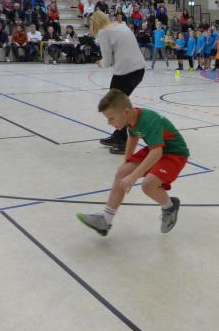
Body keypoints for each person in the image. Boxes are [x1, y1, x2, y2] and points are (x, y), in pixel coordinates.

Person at [76, 90, 187, 236]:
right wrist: (126, 164)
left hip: (174, 154)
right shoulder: (131, 119)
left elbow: (157, 153)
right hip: (156, 148)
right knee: (122, 173)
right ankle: (105, 220)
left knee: (148, 185)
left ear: (126, 112)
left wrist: (133, 176)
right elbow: (133, 137)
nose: (109, 123)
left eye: (111, 118)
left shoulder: (149, 120)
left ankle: (169, 206)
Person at [91, 11, 146, 154]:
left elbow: (107, 62)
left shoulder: (103, 32)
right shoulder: (122, 25)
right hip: (139, 70)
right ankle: (118, 135)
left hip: (125, 72)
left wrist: (99, 62)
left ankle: (123, 142)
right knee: (120, 104)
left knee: (114, 105)